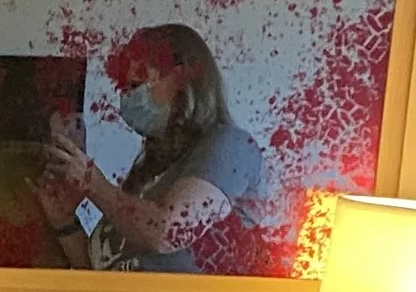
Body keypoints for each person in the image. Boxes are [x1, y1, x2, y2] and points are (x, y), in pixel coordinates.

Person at [35, 25, 265, 270]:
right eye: (126, 88)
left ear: (184, 77)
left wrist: (93, 183)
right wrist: (65, 221)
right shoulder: (145, 177)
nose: (128, 97)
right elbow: (103, 272)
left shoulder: (230, 147)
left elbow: (169, 232)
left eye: (139, 84)